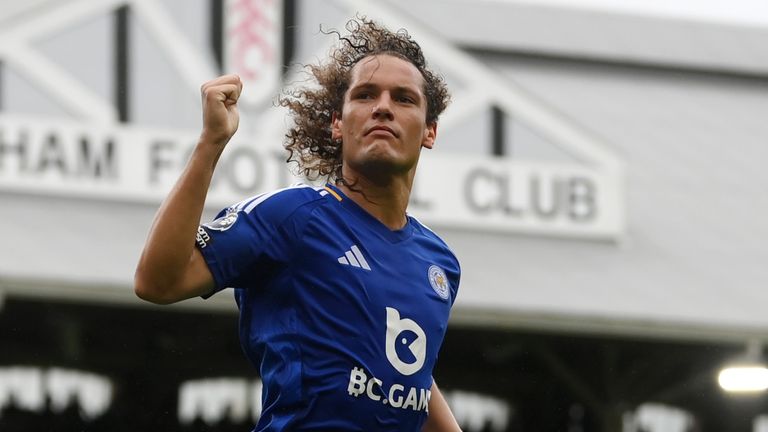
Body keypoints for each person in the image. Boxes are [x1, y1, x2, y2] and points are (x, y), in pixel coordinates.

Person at [135, 17, 461, 432]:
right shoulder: (292, 218)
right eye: (364, 95)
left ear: (429, 131)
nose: (383, 106)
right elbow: (157, 281)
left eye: (404, 99)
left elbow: (408, 372)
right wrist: (210, 144)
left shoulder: (439, 263)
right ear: (337, 124)